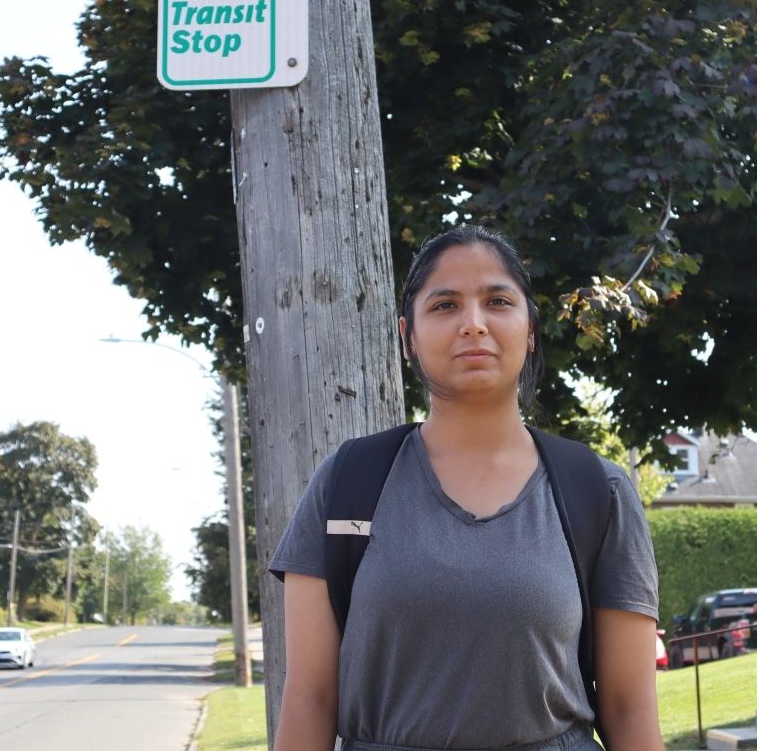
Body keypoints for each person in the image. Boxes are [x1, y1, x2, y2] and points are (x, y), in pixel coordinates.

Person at [269, 225, 663, 751]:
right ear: (408, 336)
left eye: (498, 301)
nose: (473, 324)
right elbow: (309, 699)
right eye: (445, 305)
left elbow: (628, 709)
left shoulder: (601, 491)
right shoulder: (346, 482)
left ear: (529, 330)